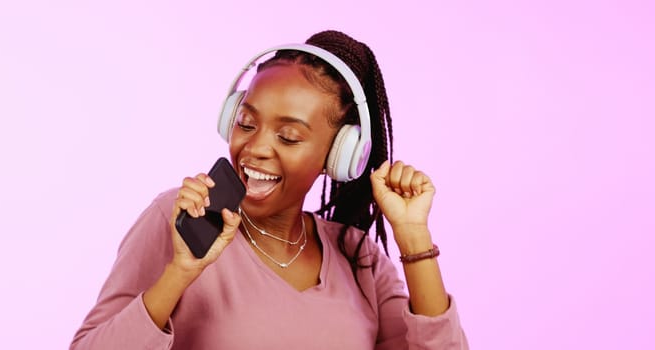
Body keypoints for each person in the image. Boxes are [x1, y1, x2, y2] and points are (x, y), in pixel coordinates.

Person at [70, 30, 468, 349]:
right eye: (246, 123)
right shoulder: (180, 219)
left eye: (289, 137)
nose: (256, 148)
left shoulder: (357, 255)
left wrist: (413, 236)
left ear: (339, 155)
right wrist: (179, 273)